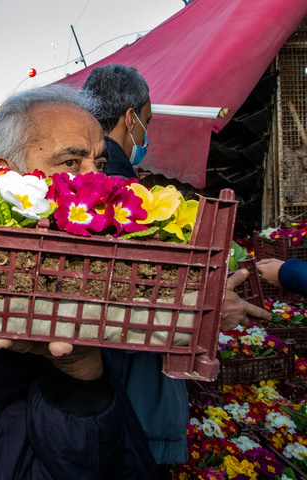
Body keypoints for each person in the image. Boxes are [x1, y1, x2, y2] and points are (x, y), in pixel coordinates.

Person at [0, 85, 158, 479]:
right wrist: (80, 370)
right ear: (6, 175)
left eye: (100, 165)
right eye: (71, 162)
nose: (96, 181)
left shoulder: (58, 276)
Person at [82, 64, 271, 474]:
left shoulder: (86, 184)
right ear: (130, 118)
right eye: (146, 122)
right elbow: (132, 293)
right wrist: (209, 309)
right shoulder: (118, 187)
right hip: (126, 386)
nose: (145, 136)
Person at [82, 64, 150, 180]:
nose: (146, 131)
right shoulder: (120, 184)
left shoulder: (76, 168)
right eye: (146, 121)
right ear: (131, 119)